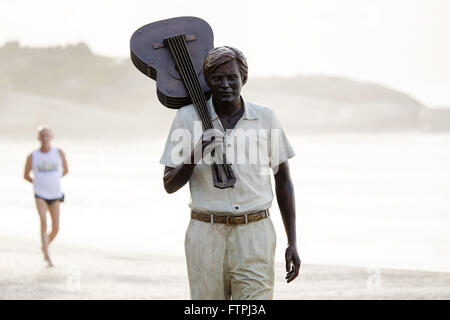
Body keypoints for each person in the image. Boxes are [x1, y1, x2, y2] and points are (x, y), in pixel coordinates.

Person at [160, 46, 300, 299]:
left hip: (255, 232)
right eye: (217, 78)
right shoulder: (186, 118)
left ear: (243, 78)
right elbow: (169, 184)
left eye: (232, 77)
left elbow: (283, 179)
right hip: (205, 233)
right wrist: (196, 153)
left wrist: (293, 241)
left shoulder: (265, 118)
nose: (225, 84)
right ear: (207, 81)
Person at [23, 125, 69, 267]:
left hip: (55, 194)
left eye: (47, 135)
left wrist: (53, 180)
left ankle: (45, 245)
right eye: (42, 135)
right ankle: (47, 256)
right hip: (39, 194)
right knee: (43, 222)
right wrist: (37, 184)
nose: (44, 138)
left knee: (56, 227)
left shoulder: (59, 153)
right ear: (38, 138)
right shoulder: (32, 156)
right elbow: (25, 175)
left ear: (51, 137)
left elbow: (66, 171)